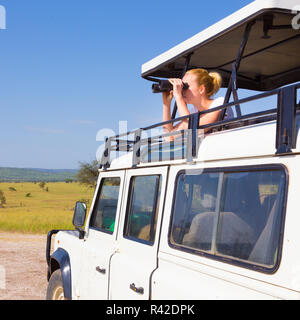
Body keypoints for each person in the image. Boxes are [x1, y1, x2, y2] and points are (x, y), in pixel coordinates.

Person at [162, 68, 232, 135]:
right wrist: (166, 104)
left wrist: (178, 97)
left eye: (185, 86)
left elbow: (193, 129)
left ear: (201, 89)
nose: (182, 90)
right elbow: (169, 137)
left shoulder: (220, 103)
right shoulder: (194, 112)